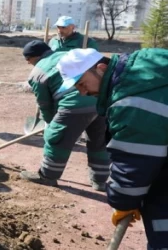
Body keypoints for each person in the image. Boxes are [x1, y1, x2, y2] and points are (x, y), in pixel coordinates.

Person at [56, 47, 168, 250]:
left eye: (82, 84)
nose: (83, 92)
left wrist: (122, 201)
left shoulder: (130, 103)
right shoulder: (144, 68)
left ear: (100, 68)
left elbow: (134, 163)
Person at [19, 41, 109, 191]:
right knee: (99, 141)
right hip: (100, 100)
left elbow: (45, 104)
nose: (28, 63)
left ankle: (47, 176)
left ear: (34, 57)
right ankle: (100, 181)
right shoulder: (66, 55)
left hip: (74, 105)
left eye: (28, 59)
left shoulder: (37, 72)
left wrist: (50, 123)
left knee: (57, 139)